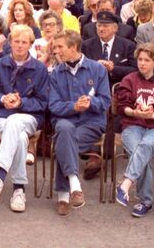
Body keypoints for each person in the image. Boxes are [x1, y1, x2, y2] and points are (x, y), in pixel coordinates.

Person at [0, 24, 49, 212]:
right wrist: (2, 99)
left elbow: (43, 102)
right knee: (20, 137)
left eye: (24, 42)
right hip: (1, 116)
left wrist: (21, 103)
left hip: (29, 117)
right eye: (16, 41)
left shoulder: (40, 69)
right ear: (10, 43)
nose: (20, 45)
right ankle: (19, 189)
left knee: (15, 121)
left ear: (30, 44)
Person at [48, 30, 111, 216]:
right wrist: (74, 106)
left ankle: (63, 195)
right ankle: (74, 185)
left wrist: (90, 102)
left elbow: (105, 101)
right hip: (65, 121)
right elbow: (54, 105)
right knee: (64, 130)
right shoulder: (55, 73)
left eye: (60, 47)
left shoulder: (97, 69)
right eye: (55, 47)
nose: (56, 51)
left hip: (91, 123)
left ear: (73, 47)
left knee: (64, 142)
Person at [114, 43, 154, 217]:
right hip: (132, 124)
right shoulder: (129, 79)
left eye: (147, 60)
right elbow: (121, 107)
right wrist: (135, 112)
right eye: (140, 59)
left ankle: (126, 184)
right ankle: (145, 201)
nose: (142, 63)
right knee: (142, 155)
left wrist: (152, 115)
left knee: (145, 147)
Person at [81, 11, 137, 86]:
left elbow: (134, 70)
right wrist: (96, 65)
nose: (101, 29)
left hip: (118, 87)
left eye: (105, 26)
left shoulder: (128, 46)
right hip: (92, 85)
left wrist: (113, 69)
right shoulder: (86, 45)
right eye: (99, 25)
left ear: (115, 28)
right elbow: (81, 67)